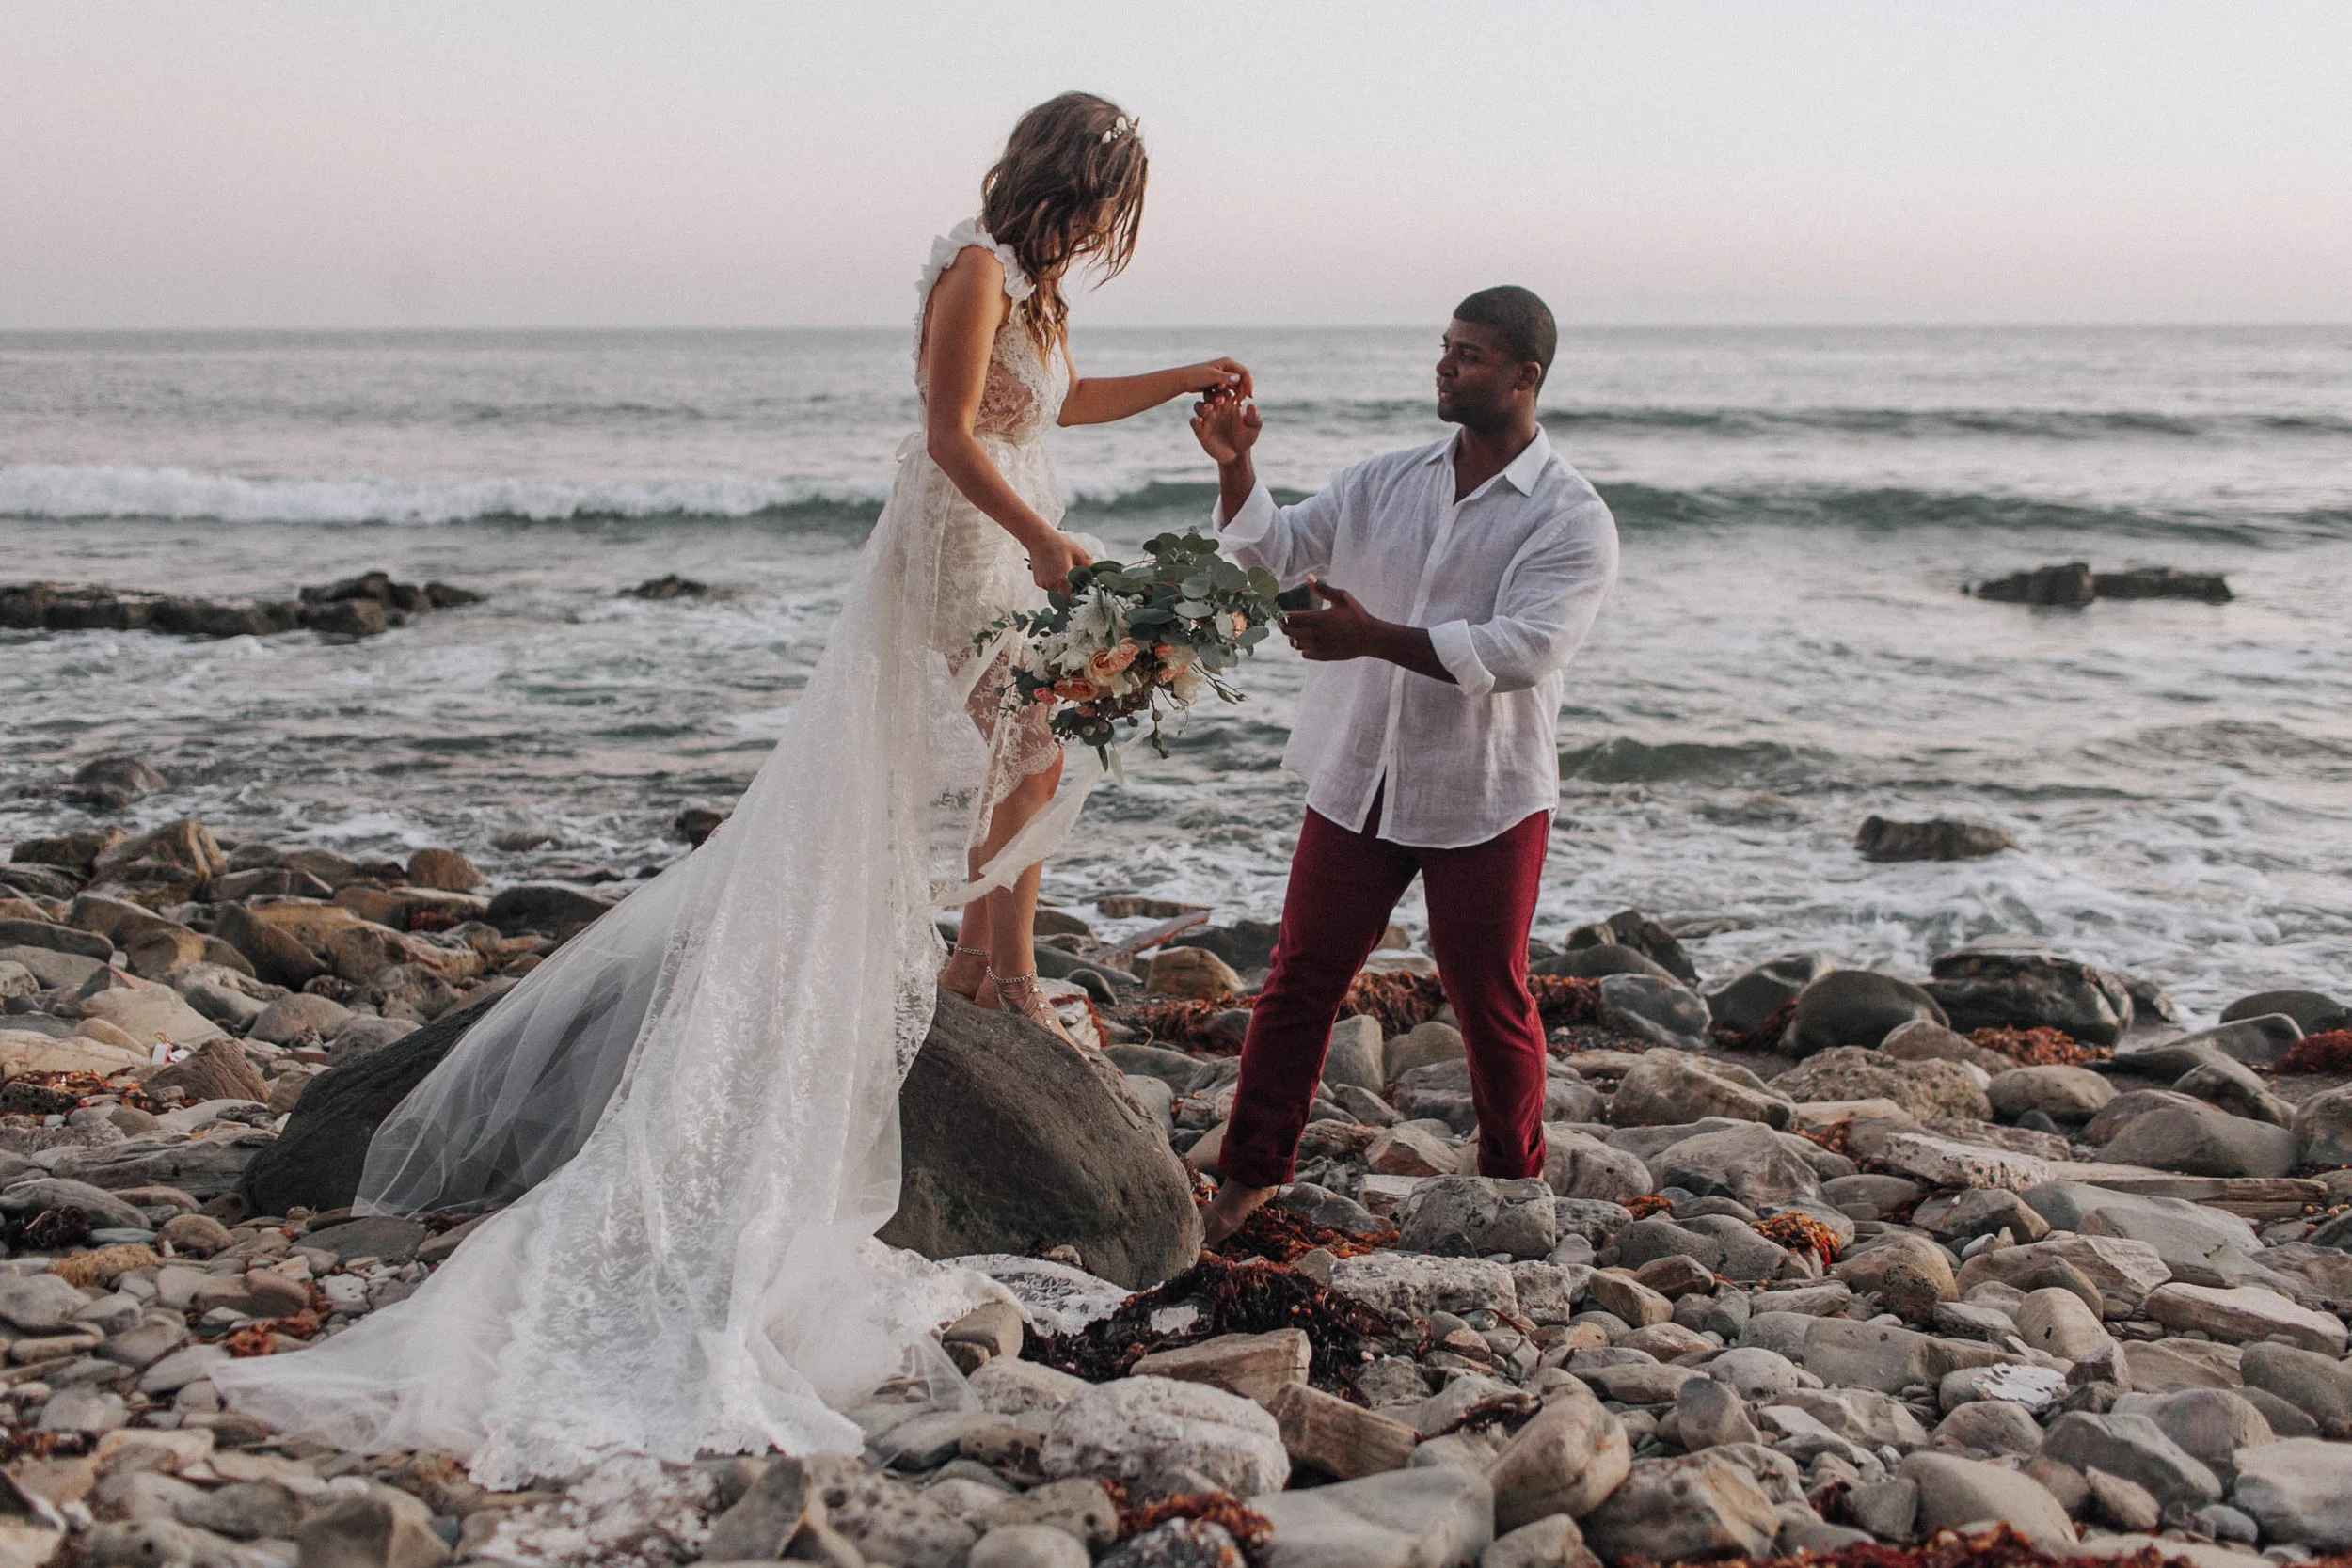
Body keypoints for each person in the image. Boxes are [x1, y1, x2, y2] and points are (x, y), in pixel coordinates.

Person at [213, 91, 1251, 1486]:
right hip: (963, 531)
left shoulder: (1037, 292)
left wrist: (1181, 379)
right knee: (1032, 735)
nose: (1101, 228)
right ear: (1063, 183)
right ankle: (994, 970)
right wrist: (1046, 540)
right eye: (1100, 204)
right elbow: (951, 432)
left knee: (1037, 740)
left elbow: (1059, 402)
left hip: (1007, 526)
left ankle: (990, 964)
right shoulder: (974, 267)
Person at [1186, 286, 1619, 1246]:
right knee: (1300, 979)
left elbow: (1523, 649)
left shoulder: (1570, 516)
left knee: (1489, 995)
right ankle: (1245, 1182)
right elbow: (1274, 552)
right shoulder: (1383, 480)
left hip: (1485, 789)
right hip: (1359, 773)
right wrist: (1236, 464)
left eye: (1469, 354)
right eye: (1445, 346)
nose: (1444, 365)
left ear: (1525, 375)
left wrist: (1371, 637)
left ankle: (1512, 1187)